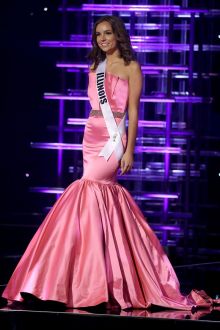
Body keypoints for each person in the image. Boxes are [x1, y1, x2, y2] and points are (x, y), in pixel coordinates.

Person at [1, 15, 219, 311]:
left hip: (114, 138)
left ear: (118, 36)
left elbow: (133, 112)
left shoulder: (132, 67)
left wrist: (129, 150)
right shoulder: (95, 67)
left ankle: (90, 281)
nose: (102, 39)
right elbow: (95, 106)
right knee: (90, 194)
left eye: (107, 33)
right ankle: (82, 278)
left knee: (90, 189)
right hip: (91, 135)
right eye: (98, 35)